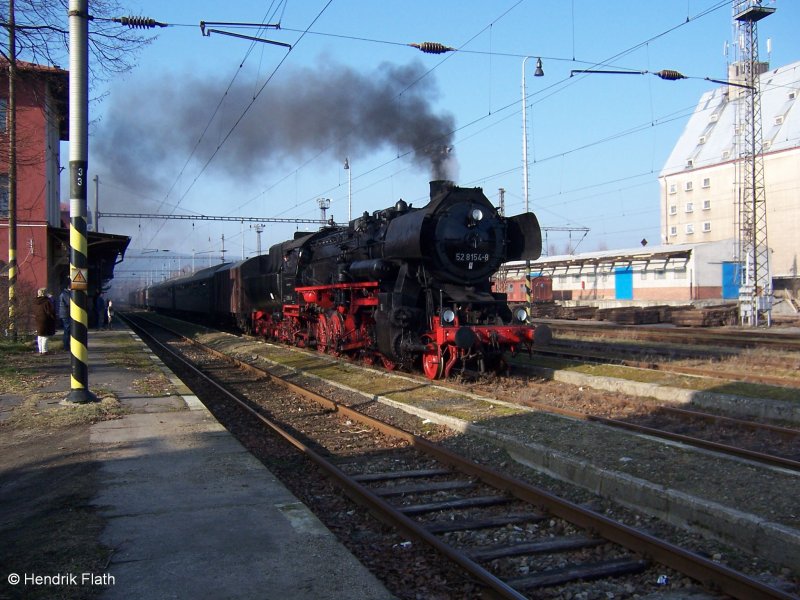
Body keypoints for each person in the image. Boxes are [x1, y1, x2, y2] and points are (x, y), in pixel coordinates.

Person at [33, 288, 57, 355]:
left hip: (37, 319)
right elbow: (50, 311)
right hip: (45, 319)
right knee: (45, 336)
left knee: (40, 335)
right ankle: (44, 350)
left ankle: (40, 350)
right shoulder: (47, 301)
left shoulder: (35, 301)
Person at [58, 285, 71, 350]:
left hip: (64, 313)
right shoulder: (66, 294)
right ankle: (66, 346)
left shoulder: (64, 293)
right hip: (66, 314)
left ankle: (66, 345)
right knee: (67, 330)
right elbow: (69, 303)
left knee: (67, 329)